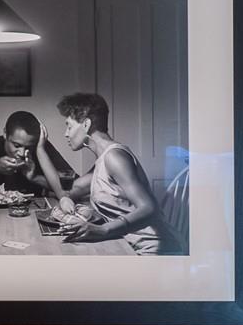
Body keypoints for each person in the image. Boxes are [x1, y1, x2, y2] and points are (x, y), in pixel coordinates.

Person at [51, 92, 163, 253]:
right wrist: (65, 199)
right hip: (127, 243)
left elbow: (150, 208)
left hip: (151, 248)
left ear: (86, 125)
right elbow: (69, 191)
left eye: (69, 126)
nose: (66, 134)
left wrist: (103, 230)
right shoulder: (102, 161)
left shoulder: (114, 157)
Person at [0, 111, 74, 196]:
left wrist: (35, 178)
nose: (21, 153)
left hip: (29, 217)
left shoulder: (40, 148)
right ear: (5, 134)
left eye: (29, 147)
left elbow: (71, 187)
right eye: (16, 145)